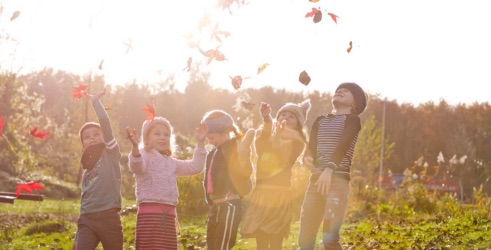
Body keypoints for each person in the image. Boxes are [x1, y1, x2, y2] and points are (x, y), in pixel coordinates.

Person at [298, 82, 368, 250]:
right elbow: (311, 149)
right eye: (338, 89)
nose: (340, 90)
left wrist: (329, 170)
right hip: (315, 183)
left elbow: (342, 146)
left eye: (347, 90)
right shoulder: (320, 121)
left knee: (329, 240)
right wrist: (307, 159)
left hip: (337, 183)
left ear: (354, 104)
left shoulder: (353, 120)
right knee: (305, 241)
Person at [126, 116, 208, 250]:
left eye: (166, 134)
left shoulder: (171, 162)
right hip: (149, 216)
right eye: (157, 133)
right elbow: (136, 167)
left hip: (168, 216)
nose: (162, 137)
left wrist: (200, 142)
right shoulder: (143, 155)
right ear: (146, 138)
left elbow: (195, 167)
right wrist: (135, 147)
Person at [241, 99, 311, 250]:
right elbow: (262, 150)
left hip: (281, 194)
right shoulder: (264, 135)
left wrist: (279, 134)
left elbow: (284, 160)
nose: (285, 117)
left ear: (298, 123)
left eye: (291, 116)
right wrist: (267, 119)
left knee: (276, 238)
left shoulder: (297, 142)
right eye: (282, 114)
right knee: (261, 237)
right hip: (262, 192)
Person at [74, 88, 124, 250]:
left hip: (109, 218)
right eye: (87, 137)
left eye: (96, 134)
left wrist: (96, 102)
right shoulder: (86, 165)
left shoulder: (110, 152)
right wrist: (79, 226)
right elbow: (86, 194)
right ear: (83, 146)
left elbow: (104, 122)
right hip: (87, 219)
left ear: (104, 136)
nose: (92, 138)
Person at [201, 109, 254, 250]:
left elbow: (245, 172)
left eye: (212, 138)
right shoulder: (212, 153)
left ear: (225, 132)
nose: (211, 142)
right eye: (208, 139)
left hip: (230, 205)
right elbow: (208, 180)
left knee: (222, 245)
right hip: (215, 207)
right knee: (211, 245)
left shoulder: (235, 149)